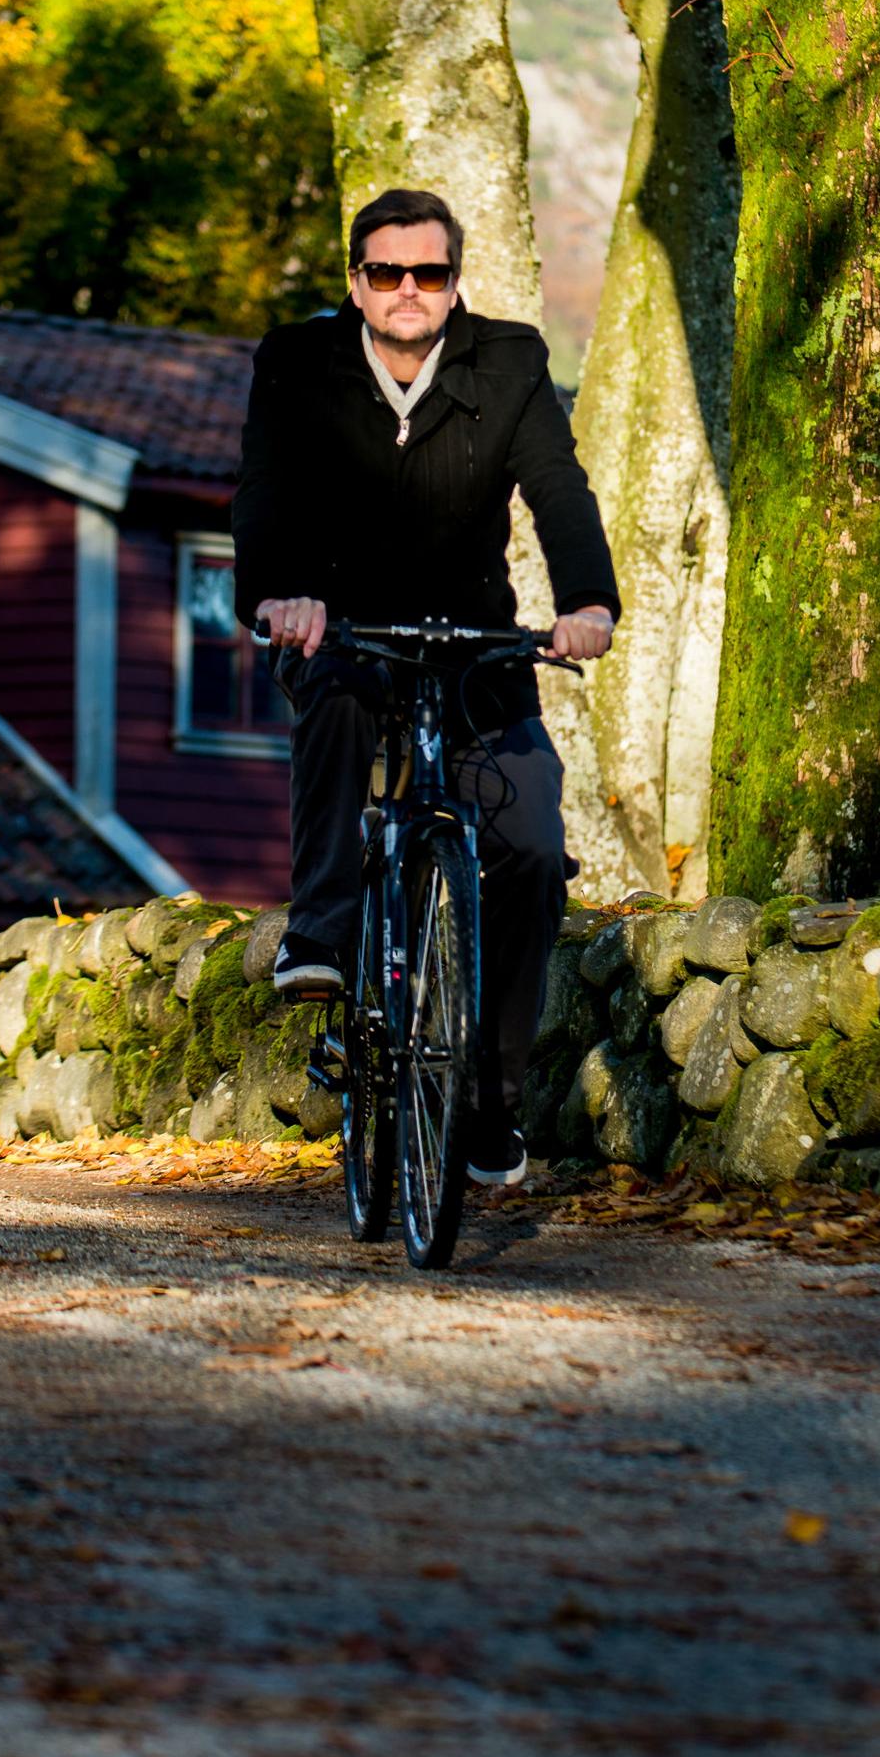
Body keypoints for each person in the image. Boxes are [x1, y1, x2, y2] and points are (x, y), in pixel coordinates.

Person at [231, 187, 617, 1185]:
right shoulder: (296, 365)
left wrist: (587, 602)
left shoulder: (512, 361)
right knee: (338, 698)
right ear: (355, 283)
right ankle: (321, 933)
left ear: (456, 283)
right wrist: (281, 597)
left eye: (430, 273)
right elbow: (264, 494)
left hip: (474, 640)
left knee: (530, 839)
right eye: (387, 272)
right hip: (340, 624)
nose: (409, 290)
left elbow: (560, 490)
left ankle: (488, 1100)